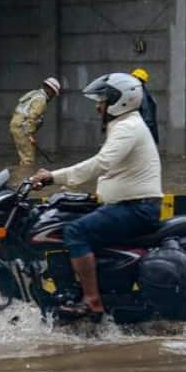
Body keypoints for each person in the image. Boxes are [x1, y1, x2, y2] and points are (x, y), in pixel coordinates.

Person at [30, 73, 163, 319]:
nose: (97, 105)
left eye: (102, 99)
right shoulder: (125, 125)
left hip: (138, 209)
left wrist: (53, 177)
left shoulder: (128, 128)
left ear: (118, 101)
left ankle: (92, 301)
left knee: (75, 231)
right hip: (130, 205)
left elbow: (101, 164)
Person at [9, 77, 61, 166]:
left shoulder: (34, 94)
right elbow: (32, 118)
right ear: (49, 89)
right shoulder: (41, 100)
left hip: (16, 124)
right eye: (53, 93)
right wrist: (29, 134)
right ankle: (25, 177)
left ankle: (22, 172)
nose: (53, 96)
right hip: (23, 127)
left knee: (24, 155)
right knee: (29, 159)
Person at [131, 68, 159, 144]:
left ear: (137, 79)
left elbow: (147, 117)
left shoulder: (141, 94)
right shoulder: (144, 93)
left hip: (143, 133)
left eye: (133, 77)